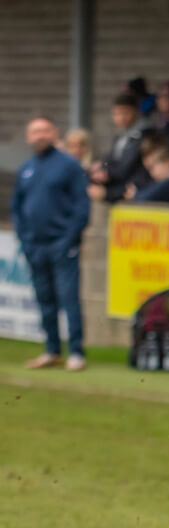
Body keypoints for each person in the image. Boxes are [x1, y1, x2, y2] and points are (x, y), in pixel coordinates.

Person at [10, 118, 91, 371]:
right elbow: (17, 208)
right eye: (35, 131)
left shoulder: (69, 165)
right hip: (35, 245)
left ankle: (76, 352)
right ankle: (52, 350)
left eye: (45, 130)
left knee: (69, 299)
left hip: (62, 245)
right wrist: (25, 239)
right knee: (44, 299)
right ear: (28, 137)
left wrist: (68, 239)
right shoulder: (26, 168)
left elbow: (82, 207)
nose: (40, 135)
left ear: (55, 133)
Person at [91, 92, 152, 201]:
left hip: (134, 186)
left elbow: (127, 166)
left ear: (136, 112)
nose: (121, 118)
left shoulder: (146, 134)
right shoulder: (121, 136)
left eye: (125, 113)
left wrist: (108, 173)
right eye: (116, 114)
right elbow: (109, 158)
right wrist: (102, 169)